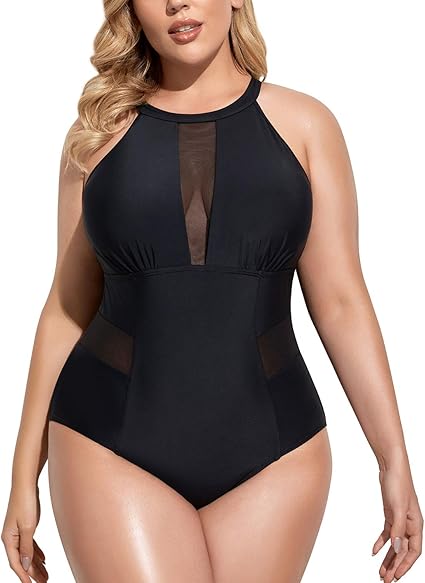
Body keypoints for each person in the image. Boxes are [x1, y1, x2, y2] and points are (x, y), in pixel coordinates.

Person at [2, 1, 423, 582]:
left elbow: (342, 302)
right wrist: (23, 474)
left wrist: (393, 458)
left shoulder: (306, 127)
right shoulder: (97, 134)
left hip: (276, 455)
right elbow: (67, 309)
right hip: (109, 442)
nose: (177, 2)